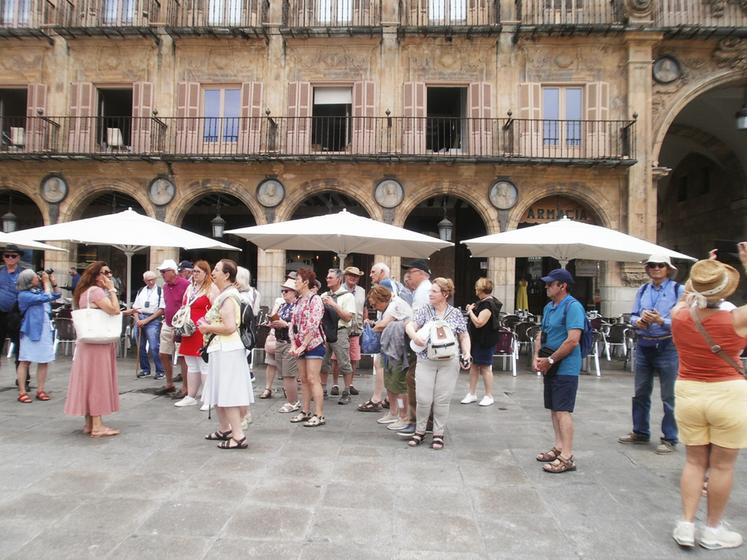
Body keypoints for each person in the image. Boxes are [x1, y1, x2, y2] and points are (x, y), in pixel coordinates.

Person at [670, 249, 747, 550]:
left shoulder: (679, 315)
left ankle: (686, 525)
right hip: (728, 392)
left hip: (689, 390)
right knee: (722, 467)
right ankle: (712, 530)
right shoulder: (737, 319)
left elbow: (688, 293)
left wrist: (702, 273)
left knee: (693, 461)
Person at [618, 254, 685, 454]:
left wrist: (660, 321)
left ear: (667, 269)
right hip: (644, 345)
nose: (655, 268)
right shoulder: (643, 289)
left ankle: (670, 438)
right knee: (640, 392)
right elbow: (634, 315)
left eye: (660, 265)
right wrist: (638, 321)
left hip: (667, 346)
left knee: (669, 395)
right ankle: (640, 431)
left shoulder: (678, 290)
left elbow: (684, 321)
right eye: (652, 265)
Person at [405, 277, 470, 450]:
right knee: (423, 398)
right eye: (430, 291)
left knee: (442, 399)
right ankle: (419, 431)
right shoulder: (424, 310)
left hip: (449, 362)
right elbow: (410, 325)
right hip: (426, 361)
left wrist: (467, 353)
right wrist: (415, 336)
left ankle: (438, 433)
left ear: (445, 294)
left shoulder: (455, 313)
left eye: (434, 291)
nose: (430, 294)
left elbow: (463, 335)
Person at [533, 269, 584, 474]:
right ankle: (558, 446)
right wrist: (537, 356)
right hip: (549, 363)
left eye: (550, 284)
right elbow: (542, 334)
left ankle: (567, 456)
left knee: (563, 410)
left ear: (562, 286)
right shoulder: (549, 307)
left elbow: (573, 340)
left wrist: (551, 359)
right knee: (554, 408)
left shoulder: (573, 307)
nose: (546, 287)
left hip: (565, 366)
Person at [199, 259, 254, 450]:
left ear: (227, 275)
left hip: (227, 350)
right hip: (222, 349)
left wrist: (207, 328)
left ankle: (237, 435)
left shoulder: (229, 297)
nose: (212, 272)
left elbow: (230, 327)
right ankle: (225, 429)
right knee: (219, 390)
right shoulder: (225, 294)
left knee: (228, 393)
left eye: (216, 269)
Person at [64, 261, 121, 438]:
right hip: (97, 344)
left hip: (87, 344)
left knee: (89, 380)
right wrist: (112, 290)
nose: (109, 275)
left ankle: (89, 422)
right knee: (98, 380)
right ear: (97, 275)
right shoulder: (96, 291)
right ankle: (97, 425)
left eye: (110, 272)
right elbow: (114, 310)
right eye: (106, 272)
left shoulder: (84, 292)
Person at [369, 284, 413, 432]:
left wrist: (371, 329)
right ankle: (393, 413)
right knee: (389, 383)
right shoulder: (387, 307)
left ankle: (403, 415)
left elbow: (382, 325)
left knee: (399, 385)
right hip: (389, 349)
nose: (375, 307)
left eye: (375, 304)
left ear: (382, 299)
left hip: (400, 351)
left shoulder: (396, 305)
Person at [175, 260, 218, 408]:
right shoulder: (190, 288)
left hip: (202, 330)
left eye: (198, 272)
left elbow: (216, 309)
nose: (195, 274)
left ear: (206, 273)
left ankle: (208, 398)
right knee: (191, 364)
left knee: (204, 364)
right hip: (188, 330)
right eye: (193, 271)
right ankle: (190, 395)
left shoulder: (211, 289)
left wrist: (208, 324)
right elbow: (183, 305)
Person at [397, 259, 433, 437]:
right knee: (421, 381)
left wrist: (408, 328)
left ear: (420, 273)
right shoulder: (424, 289)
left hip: (421, 343)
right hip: (424, 343)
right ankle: (426, 420)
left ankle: (417, 421)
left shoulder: (423, 290)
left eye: (411, 272)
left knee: (414, 380)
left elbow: (418, 320)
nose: (408, 275)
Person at [16, 269, 61, 403]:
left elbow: (56, 295)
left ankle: (40, 389)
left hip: (45, 329)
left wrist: (53, 283)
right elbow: (47, 297)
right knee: (25, 361)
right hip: (31, 330)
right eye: (36, 277)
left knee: (44, 360)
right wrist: (46, 282)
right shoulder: (24, 295)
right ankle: (22, 391)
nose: (39, 278)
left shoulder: (38, 291)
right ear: (29, 281)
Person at [289, 268, 326, 427]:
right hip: (299, 345)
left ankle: (319, 414)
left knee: (313, 378)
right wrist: (293, 343)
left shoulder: (315, 300)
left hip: (313, 344)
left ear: (305, 282)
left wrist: (303, 345)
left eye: (297, 279)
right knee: (303, 379)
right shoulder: (298, 301)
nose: (294, 283)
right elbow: (293, 324)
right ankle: (305, 411)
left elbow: (313, 325)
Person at [462, 277, 503, 407]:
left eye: (476, 288)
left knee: (485, 368)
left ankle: (488, 395)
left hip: (485, 341)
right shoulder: (484, 302)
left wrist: (469, 312)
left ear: (480, 289)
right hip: (477, 340)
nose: (475, 290)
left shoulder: (488, 304)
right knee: (474, 366)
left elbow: (479, 323)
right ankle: (471, 393)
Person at [320, 268, 356, 405]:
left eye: (330, 277)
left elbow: (347, 317)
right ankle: (323, 389)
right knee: (323, 362)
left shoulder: (347, 297)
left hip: (340, 331)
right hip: (324, 332)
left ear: (338, 279)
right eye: (327, 277)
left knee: (344, 362)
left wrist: (333, 304)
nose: (327, 279)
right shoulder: (323, 295)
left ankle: (346, 391)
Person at [157, 259, 190, 397]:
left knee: (182, 356)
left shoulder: (185, 284)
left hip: (181, 324)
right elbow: (165, 305)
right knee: (163, 353)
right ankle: (169, 383)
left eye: (164, 272)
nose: (162, 274)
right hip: (168, 322)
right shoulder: (165, 287)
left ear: (173, 272)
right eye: (161, 272)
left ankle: (185, 387)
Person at [270, 278, 301, 413]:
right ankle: (291, 400)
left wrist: (285, 324)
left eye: (286, 291)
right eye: (282, 290)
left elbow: (300, 326)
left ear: (295, 292)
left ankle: (293, 402)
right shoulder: (283, 305)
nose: (284, 293)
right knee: (284, 374)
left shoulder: (298, 306)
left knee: (289, 375)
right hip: (280, 340)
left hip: (290, 342)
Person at [127, 271, 165, 380]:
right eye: (148, 280)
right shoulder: (141, 291)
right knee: (140, 346)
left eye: (153, 279)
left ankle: (160, 370)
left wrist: (146, 320)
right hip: (141, 317)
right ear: (144, 281)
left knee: (154, 346)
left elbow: (161, 309)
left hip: (153, 319)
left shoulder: (160, 291)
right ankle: (145, 369)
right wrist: (138, 320)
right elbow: (135, 307)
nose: (151, 282)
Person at [0, 245, 26, 382]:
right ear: (3, 257)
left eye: (13, 256)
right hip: (0, 314)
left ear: (19, 257)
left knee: (20, 349)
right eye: (7, 255)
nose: (10, 258)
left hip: (16, 315)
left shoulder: (24, 274)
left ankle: (22, 379)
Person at [341, 266, 366, 395]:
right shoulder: (339, 290)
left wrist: (366, 319)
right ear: (345, 276)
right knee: (335, 359)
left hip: (356, 328)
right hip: (342, 327)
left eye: (356, 276)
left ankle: (350, 384)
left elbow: (364, 307)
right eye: (350, 275)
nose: (353, 278)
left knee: (354, 357)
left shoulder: (362, 291)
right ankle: (335, 384)